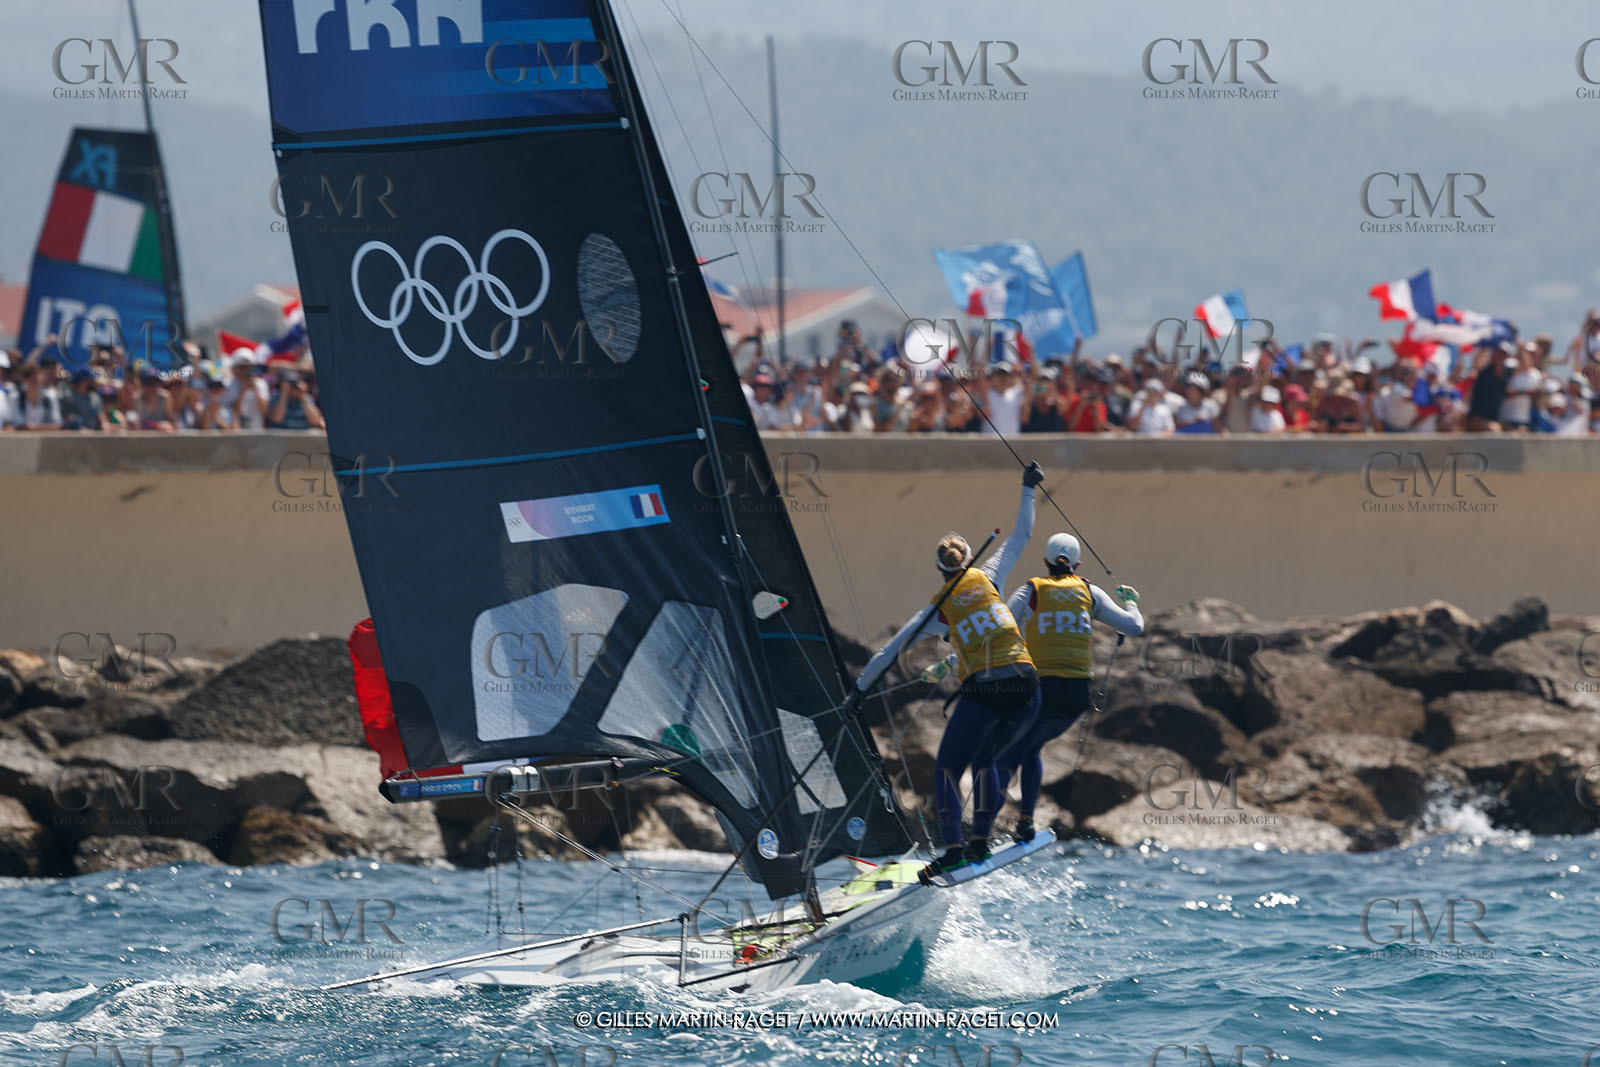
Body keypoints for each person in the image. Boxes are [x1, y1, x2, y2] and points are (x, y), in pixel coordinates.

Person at [854, 461, 1045, 881]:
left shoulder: (939, 609)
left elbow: (890, 652)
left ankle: (956, 850)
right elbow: (1024, 535)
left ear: (941, 570)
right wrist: (1029, 487)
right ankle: (981, 840)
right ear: (967, 560)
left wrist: (857, 692)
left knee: (946, 770)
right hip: (1030, 688)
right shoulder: (989, 575)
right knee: (988, 761)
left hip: (988, 691)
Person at [998, 533, 1144, 842]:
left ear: (1046, 562)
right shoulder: (1089, 592)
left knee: (1012, 750)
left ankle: (980, 835)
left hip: (1041, 691)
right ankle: (1024, 822)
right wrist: (1130, 603)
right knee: (1031, 746)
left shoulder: (1032, 590)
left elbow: (1001, 627)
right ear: (1077, 564)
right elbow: (1134, 626)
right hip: (1076, 696)